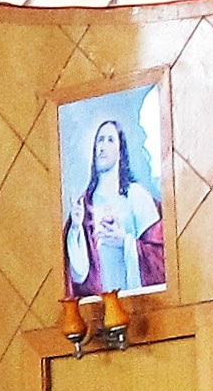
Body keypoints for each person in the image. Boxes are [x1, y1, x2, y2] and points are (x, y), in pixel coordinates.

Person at [66, 109, 166, 300]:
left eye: (110, 140)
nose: (102, 147)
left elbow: (158, 259)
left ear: (121, 150)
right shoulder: (85, 205)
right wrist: (76, 229)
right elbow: (79, 275)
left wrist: (125, 243)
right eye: (99, 140)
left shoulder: (135, 195)